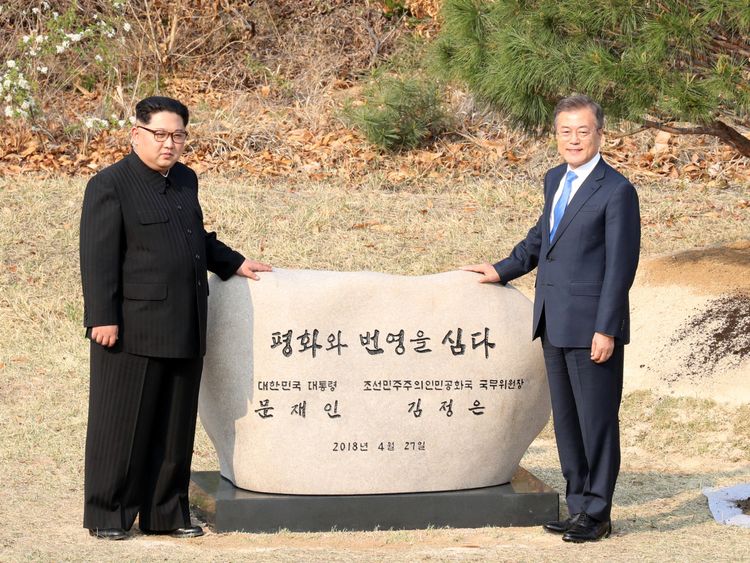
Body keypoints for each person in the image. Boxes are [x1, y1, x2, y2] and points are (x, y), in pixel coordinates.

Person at [79, 96, 272, 540]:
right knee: (120, 423)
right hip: (130, 327)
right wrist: (102, 317)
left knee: (175, 424)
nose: (170, 144)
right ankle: (108, 514)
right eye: (160, 134)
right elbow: (98, 257)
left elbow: (193, 237)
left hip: (185, 320)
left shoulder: (185, 180)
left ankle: (166, 512)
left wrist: (233, 261)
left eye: (178, 135)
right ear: (136, 135)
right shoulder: (110, 184)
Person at [462, 95, 640, 543]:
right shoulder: (555, 179)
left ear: (600, 133)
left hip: (592, 328)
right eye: (565, 131)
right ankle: (578, 505)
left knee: (596, 422)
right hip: (553, 321)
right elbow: (543, 237)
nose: (573, 139)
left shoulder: (617, 190)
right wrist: (503, 268)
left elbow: (621, 268)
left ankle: (598, 514)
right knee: (566, 421)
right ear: (555, 135)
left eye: (582, 130)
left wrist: (607, 328)